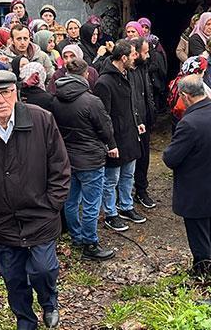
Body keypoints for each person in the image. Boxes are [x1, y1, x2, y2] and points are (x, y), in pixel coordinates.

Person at [0, 70, 70, 330]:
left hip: (40, 214)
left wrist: (53, 203)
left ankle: (48, 301)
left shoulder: (41, 119)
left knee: (43, 269)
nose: (1, 100)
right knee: (13, 276)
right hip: (1, 219)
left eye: (6, 92)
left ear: (16, 93)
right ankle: (25, 319)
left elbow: (60, 166)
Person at [162, 74, 211, 277]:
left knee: (198, 235)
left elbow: (170, 158)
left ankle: (203, 272)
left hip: (196, 190)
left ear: (186, 96)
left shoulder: (189, 123)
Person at [52, 58, 118, 260]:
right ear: (86, 75)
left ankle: (77, 237)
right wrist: (111, 145)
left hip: (66, 159)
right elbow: (105, 128)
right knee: (91, 203)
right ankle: (90, 244)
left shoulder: (55, 99)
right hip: (90, 159)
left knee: (71, 201)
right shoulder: (91, 101)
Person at [92, 40, 145, 231]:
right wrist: (109, 143)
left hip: (130, 135)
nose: (135, 57)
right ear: (123, 58)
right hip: (115, 139)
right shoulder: (104, 83)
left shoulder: (127, 74)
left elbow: (130, 104)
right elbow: (103, 117)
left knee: (128, 175)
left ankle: (126, 206)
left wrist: (137, 121)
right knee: (111, 179)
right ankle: (110, 214)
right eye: (133, 55)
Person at [127, 37, 157, 209]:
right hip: (132, 122)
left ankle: (141, 190)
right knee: (133, 159)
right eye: (145, 52)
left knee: (145, 157)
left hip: (144, 120)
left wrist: (151, 112)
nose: (148, 56)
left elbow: (148, 93)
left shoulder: (143, 68)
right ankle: (126, 194)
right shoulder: (128, 71)